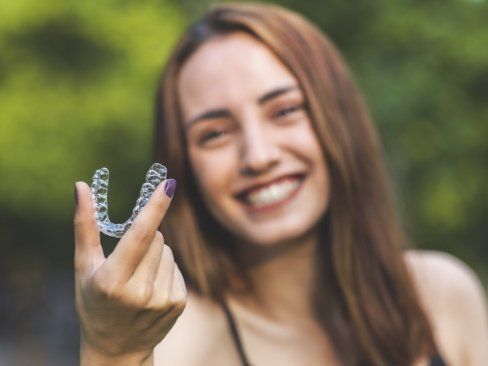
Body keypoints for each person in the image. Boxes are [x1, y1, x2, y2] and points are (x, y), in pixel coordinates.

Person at [73, 3, 488, 366]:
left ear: (340, 118)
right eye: (215, 134)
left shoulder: (442, 294)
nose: (258, 156)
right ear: (185, 165)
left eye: (285, 110)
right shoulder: (173, 340)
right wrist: (114, 353)